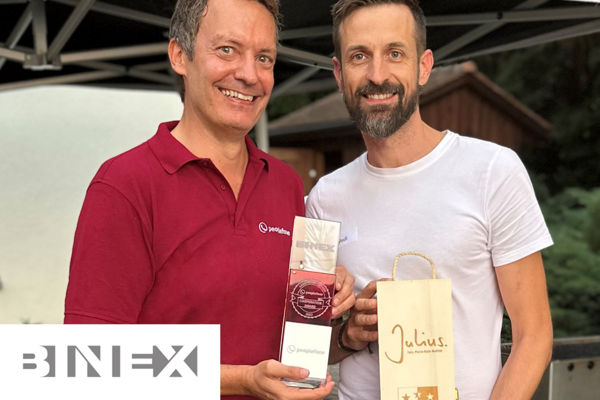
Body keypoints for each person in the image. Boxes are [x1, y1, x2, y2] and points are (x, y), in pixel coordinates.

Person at [63, 0, 356, 399]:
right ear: (179, 55)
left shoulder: (285, 183)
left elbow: (287, 344)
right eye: (227, 50)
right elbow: (87, 359)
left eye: (264, 58)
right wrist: (240, 380)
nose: (249, 74)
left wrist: (334, 313)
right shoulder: (125, 185)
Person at [307, 1, 554, 399]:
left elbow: (534, 335)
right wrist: (350, 334)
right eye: (359, 56)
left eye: (395, 53)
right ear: (339, 74)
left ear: (423, 67)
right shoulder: (324, 198)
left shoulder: (493, 171)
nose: (377, 75)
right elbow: (309, 347)